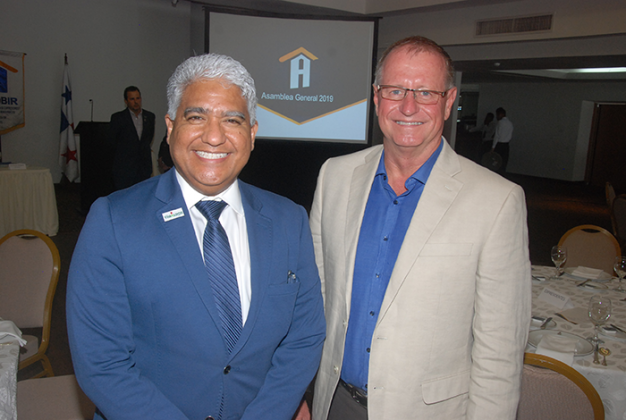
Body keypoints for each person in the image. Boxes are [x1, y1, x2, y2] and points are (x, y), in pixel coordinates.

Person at [67, 53, 325, 420]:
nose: (214, 136)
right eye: (196, 117)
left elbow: (304, 338)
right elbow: (102, 363)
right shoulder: (113, 220)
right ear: (170, 127)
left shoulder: (289, 220)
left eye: (232, 120)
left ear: (252, 134)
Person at [309, 36, 531, 420]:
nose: (408, 107)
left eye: (426, 93)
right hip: (335, 402)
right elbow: (315, 299)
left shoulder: (497, 201)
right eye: (395, 90)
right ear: (377, 97)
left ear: (448, 101)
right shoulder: (335, 176)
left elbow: (499, 352)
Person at [109, 86, 156, 190]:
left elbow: (148, 139)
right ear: (126, 101)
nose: (136, 102)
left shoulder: (149, 117)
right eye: (132, 99)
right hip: (124, 169)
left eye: (138, 98)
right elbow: (113, 142)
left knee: (143, 195)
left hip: (143, 168)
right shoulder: (118, 118)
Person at [491, 107, 514, 173]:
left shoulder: (500, 123)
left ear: (500, 114)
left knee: (497, 163)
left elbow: (497, 136)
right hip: (506, 145)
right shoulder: (510, 123)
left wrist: (493, 147)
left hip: (499, 145)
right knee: (504, 163)